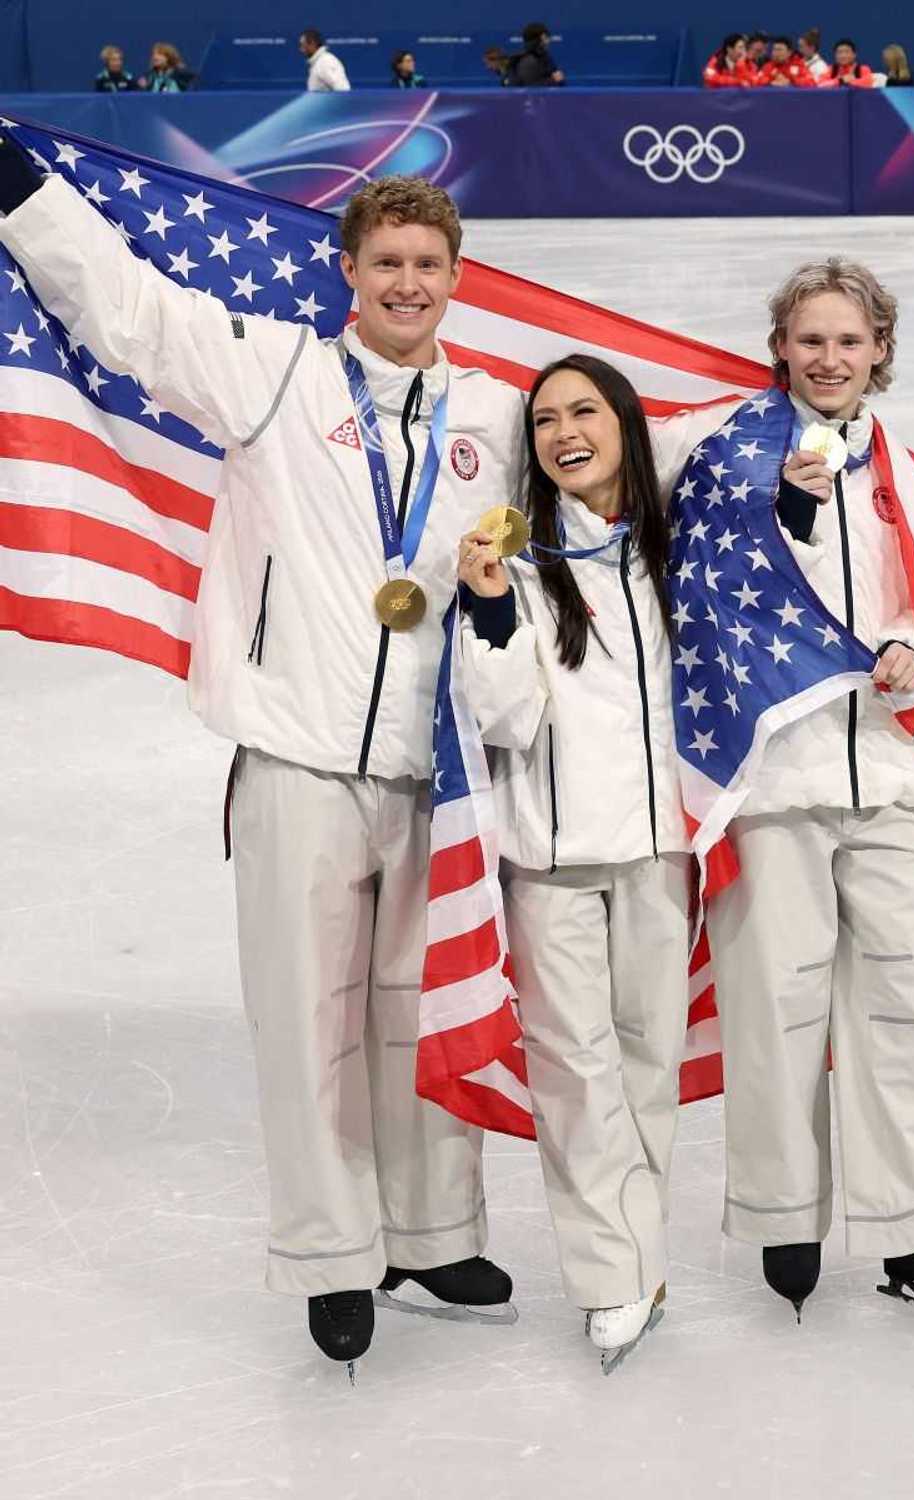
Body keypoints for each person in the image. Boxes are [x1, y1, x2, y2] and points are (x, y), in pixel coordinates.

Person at [0, 146, 526, 1373]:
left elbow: (607, 482)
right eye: (386, 263)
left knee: (426, 1009)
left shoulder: (496, 414)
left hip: (441, 770)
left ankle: (432, 1233)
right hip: (295, 756)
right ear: (346, 273)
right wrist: (21, 186)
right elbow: (129, 312)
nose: (407, 284)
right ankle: (332, 1258)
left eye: (428, 267)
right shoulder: (276, 372)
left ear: (456, 279)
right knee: (308, 1023)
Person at [649, 258, 914, 1332]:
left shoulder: (897, 460)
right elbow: (660, 523)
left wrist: (905, 648)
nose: (828, 358)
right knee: (776, 1003)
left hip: (886, 771)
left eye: (848, 341)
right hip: (772, 774)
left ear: (879, 352)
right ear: (780, 347)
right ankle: (781, 1212)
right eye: (809, 339)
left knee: (904, 999)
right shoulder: (729, 449)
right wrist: (776, 509)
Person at [454, 356, 691, 1374]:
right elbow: (502, 717)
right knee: (576, 1078)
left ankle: (639, 1255)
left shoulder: (674, 552)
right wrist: (494, 609)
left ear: (624, 425)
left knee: (645, 1071)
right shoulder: (521, 562)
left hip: (660, 859)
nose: (562, 433)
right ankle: (611, 1279)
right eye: (544, 419)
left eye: (583, 411)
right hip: (550, 865)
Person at [505, 22, 564, 87]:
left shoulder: (544, 58)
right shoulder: (529, 61)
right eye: (547, 37)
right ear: (542, 38)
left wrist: (557, 80)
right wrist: (554, 80)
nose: (549, 41)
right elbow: (531, 90)